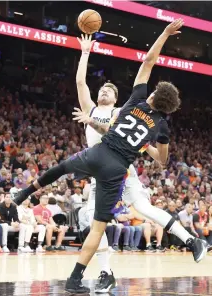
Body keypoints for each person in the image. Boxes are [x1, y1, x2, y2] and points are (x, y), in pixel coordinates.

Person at [14, 20, 207, 294]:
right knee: (93, 218)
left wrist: (98, 126)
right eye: (102, 88)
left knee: (128, 209)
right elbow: (83, 84)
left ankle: (106, 270)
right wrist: (84, 55)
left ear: (117, 97)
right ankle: (106, 272)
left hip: (113, 166)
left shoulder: (123, 108)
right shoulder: (94, 109)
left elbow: (118, 128)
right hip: (107, 164)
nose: (104, 89)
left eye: (109, 89)